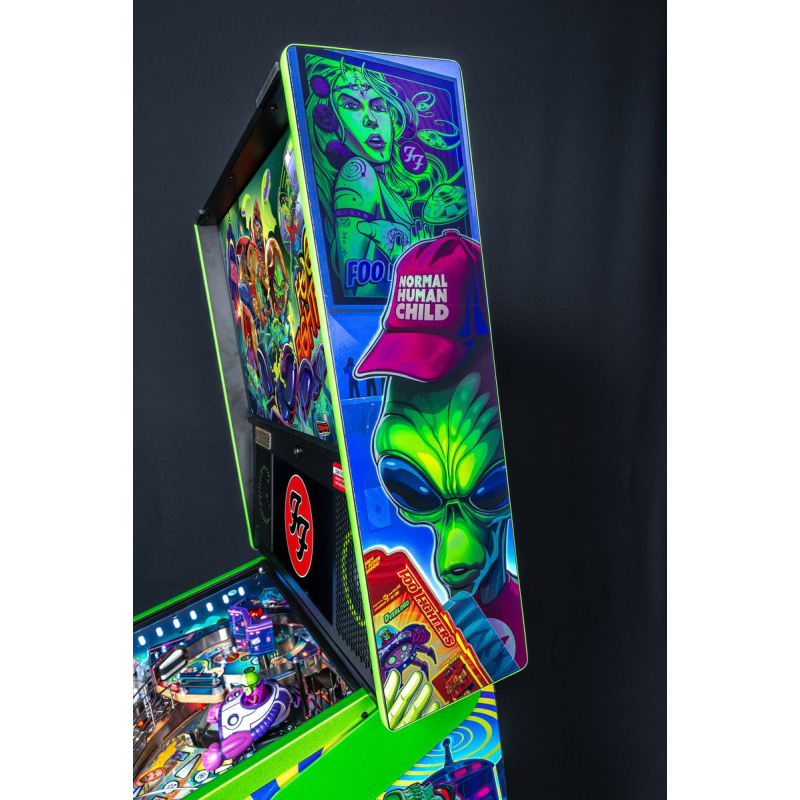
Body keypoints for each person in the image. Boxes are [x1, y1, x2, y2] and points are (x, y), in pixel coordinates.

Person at [304, 57, 452, 297]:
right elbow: (353, 294)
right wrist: (412, 266)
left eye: (379, 107)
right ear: (333, 122)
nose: (371, 119)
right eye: (351, 106)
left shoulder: (391, 192)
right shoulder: (358, 174)